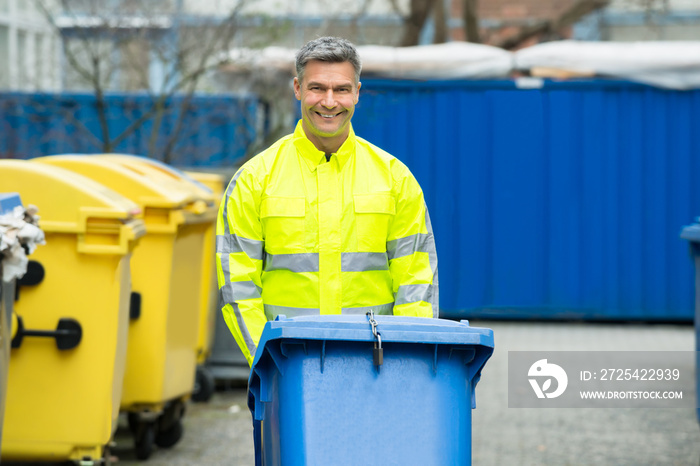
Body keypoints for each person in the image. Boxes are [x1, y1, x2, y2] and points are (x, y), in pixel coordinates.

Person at [216, 36, 438, 366]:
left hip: (375, 368)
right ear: (297, 88)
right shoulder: (253, 180)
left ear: (358, 93)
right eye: (317, 88)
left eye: (342, 89)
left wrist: (410, 365)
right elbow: (239, 287)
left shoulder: (395, 179)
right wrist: (266, 362)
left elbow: (417, 283)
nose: (330, 101)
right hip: (288, 366)